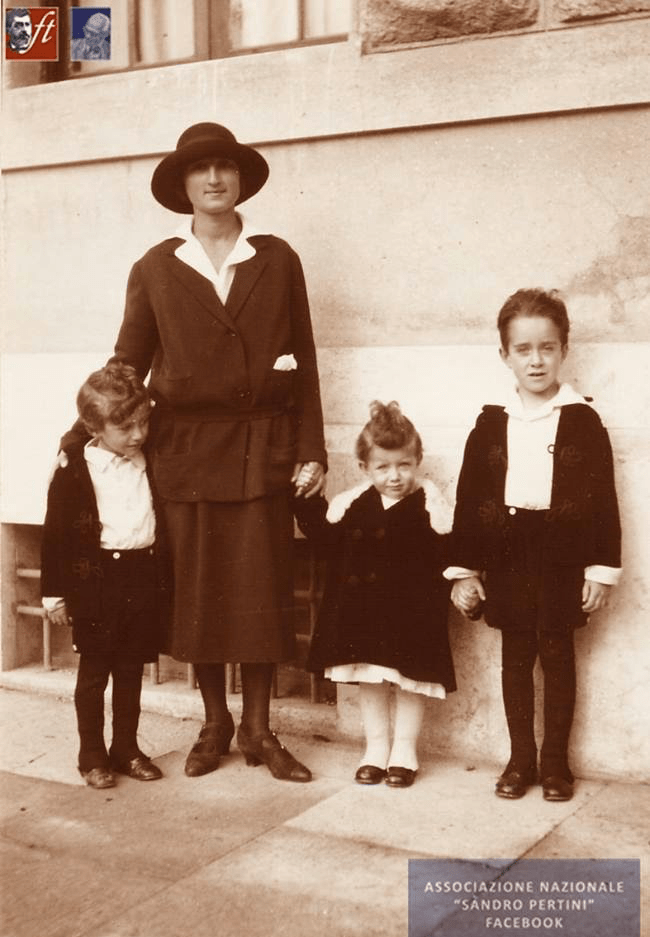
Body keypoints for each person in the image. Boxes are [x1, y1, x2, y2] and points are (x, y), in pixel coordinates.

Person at [62, 122, 327, 783]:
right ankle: (215, 724)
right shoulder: (156, 268)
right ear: (182, 186)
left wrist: (311, 449)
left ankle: (260, 729)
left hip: (263, 451)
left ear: (240, 180)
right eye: (200, 169)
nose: (214, 178)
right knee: (201, 599)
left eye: (225, 167)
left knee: (261, 596)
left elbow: (305, 360)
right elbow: (126, 363)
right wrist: (80, 434)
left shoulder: (277, 259)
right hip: (186, 457)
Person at [446, 288, 621, 802]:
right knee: (516, 655)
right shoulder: (491, 422)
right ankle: (520, 758)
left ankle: (556, 763)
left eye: (547, 347)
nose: (536, 360)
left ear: (564, 349)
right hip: (508, 554)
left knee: (558, 653)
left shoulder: (583, 420)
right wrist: (465, 570)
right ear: (505, 355)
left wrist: (600, 569)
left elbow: (603, 500)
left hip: (562, 555)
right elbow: (469, 497)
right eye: (523, 349)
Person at [295, 401, 455, 788]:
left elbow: (451, 554)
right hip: (363, 614)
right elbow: (325, 539)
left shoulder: (432, 508)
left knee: (410, 681)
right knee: (371, 679)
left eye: (404, 465)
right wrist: (306, 499)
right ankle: (376, 748)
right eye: (382, 467)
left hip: (412, 616)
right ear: (364, 467)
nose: (394, 476)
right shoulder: (352, 505)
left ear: (417, 461)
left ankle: (404, 751)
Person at [42, 362, 168, 789]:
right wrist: (54, 593)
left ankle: (126, 749)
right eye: (125, 427)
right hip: (96, 582)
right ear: (94, 427)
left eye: (143, 423)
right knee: (95, 674)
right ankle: (92, 755)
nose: (138, 434)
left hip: (141, 576)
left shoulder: (147, 460)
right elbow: (55, 534)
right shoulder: (75, 469)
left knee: (131, 672)